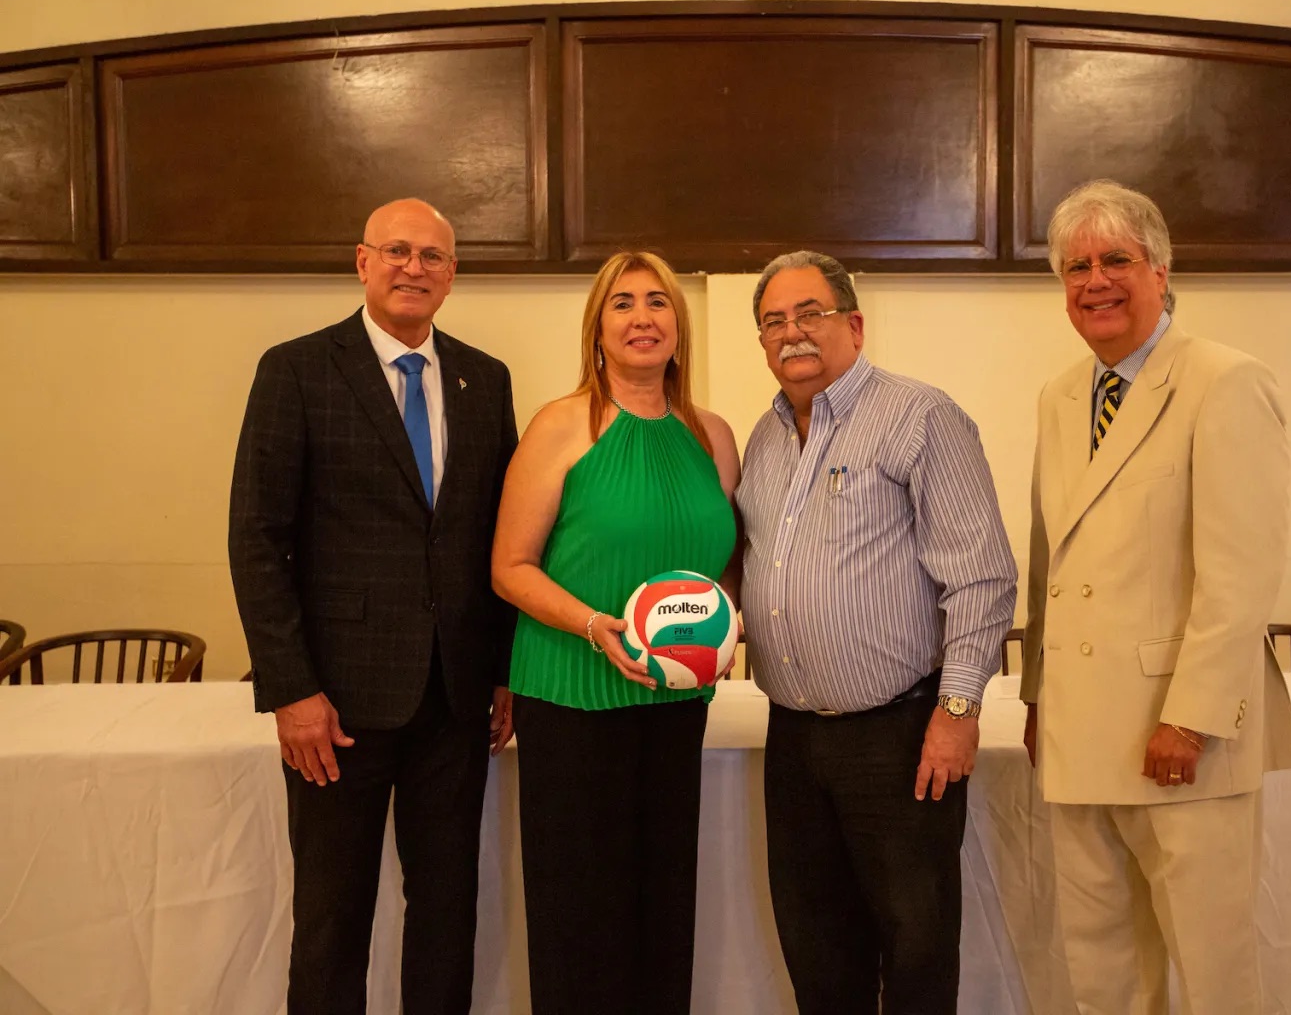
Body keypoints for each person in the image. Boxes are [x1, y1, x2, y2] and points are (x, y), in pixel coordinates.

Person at [1020, 179, 1291, 1015]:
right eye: (1076, 267)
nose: (1095, 282)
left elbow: (1241, 575)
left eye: (1116, 259)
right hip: (1079, 729)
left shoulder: (1225, 381)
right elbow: (1049, 561)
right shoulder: (1060, 396)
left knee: (1214, 974)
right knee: (1103, 972)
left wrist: (1192, 718)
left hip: (1180, 738)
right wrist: (1039, 695)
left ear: (1161, 269)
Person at [229, 198, 519, 1014]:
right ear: (362, 262)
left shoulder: (485, 378)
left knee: (447, 911)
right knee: (333, 916)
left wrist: (505, 669)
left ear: (452, 275)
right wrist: (291, 690)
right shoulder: (296, 370)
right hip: (337, 704)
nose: (413, 268)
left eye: (432, 257)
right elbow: (257, 539)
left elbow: (497, 537)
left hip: (456, 700)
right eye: (397, 251)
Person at [736, 250, 1017, 1015]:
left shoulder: (920, 417)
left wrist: (957, 712)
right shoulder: (763, 438)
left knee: (915, 947)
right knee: (817, 950)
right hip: (794, 738)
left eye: (811, 313)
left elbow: (982, 578)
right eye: (773, 321)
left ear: (854, 325)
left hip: (899, 735)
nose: (792, 332)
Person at [489, 250, 739, 1014]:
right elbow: (509, 567)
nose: (642, 318)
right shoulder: (562, 425)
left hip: (673, 705)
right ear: (597, 329)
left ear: (679, 325)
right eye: (622, 303)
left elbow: (723, 567)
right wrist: (598, 628)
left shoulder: (713, 436)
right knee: (580, 921)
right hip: (571, 700)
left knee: (662, 913)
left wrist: (722, 631)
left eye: (658, 302)